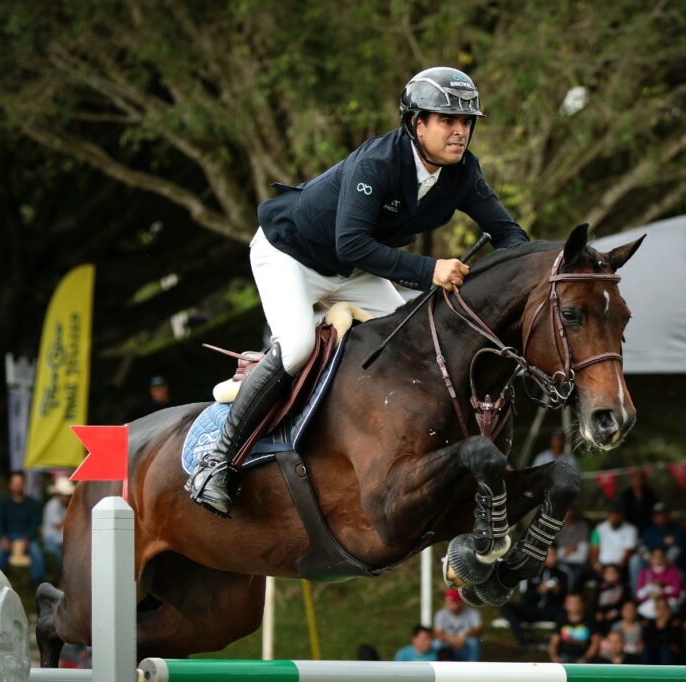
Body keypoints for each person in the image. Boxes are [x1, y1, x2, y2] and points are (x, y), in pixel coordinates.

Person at [184, 66, 529, 517]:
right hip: (290, 254)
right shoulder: (378, 164)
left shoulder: (462, 173)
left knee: (415, 341)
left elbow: (509, 235)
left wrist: (527, 275)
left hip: (350, 269)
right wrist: (431, 270)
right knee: (297, 348)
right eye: (447, 120)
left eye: (466, 123)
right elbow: (353, 242)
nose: (460, 132)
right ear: (416, 123)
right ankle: (217, 461)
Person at [500, 546, 570, 650]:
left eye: (554, 555)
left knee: (565, 611)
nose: (552, 558)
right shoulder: (531, 572)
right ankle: (524, 638)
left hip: (551, 610)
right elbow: (525, 597)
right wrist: (539, 591)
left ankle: (551, 640)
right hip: (533, 609)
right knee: (506, 607)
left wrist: (558, 592)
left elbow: (569, 598)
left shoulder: (563, 573)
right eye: (549, 555)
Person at [0, 471, 46, 583]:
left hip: (27, 538)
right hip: (8, 536)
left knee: (37, 554)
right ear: (10, 485)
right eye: (15, 483)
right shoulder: (3, 503)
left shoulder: (33, 504)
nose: (17, 485)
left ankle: (38, 584)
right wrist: (3, 538)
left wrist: (28, 539)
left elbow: (35, 524)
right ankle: (0, 583)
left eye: (20, 483)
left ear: (24, 485)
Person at [630, 502, 685, 589]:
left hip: (669, 563)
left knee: (679, 571)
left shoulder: (676, 530)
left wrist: (662, 561)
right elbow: (642, 548)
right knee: (635, 560)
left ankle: (674, 598)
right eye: (656, 515)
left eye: (662, 514)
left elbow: (676, 550)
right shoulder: (649, 531)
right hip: (651, 562)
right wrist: (652, 560)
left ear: (667, 515)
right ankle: (637, 597)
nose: (659, 517)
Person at [589, 503, 638, 579]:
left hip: (620, 567)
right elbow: (594, 551)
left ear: (623, 515)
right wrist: (599, 568)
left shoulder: (631, 529)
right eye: (612, 514)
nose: (615, 517)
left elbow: (628, 553)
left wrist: (614, 571)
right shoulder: (599, 529)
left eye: (618, 514)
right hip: (602, 566)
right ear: (608, 514)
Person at [433, 588, 483, 662]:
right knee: (436, 644)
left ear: (461, 602)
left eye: (453, 603)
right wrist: (452, 639)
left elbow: (479, 630)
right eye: (448, 603)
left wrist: (464, 636)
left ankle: (473, 667)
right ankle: (438, 666)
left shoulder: (473, 613)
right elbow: (437, 633)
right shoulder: (441, 614)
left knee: (474, 642)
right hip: (448, 642)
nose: (450, 606)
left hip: (465, 641)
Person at [549, 593, 599, 664]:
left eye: (576, 603)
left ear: (582, 604)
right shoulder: (561, 620)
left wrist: (586, 658)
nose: (573, 606)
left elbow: (595, 642)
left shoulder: (589, 620)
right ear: (565, 605)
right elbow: (554, 641)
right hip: (564, 657)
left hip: (585, 658)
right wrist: (554, 657)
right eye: (570, 603)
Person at [635, 548, 683, 619]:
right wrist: (650, 594)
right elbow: (639, 595)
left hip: (668, 601)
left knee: (663, 607)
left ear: (664, 558)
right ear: (651, 559)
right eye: (655, 556)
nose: (657, 558)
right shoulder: (645, 572)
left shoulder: (673, 571)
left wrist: (661, 593)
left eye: (660, 556)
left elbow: (677, 591)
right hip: (651, 601)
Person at [42, 475, 75, 569]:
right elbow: (57, 526)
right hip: (52, 540)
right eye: (66, 495)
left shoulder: (65, 505)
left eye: (69, 495)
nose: (68, 498)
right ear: (59, 495)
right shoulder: (52, 506)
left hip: (62, 540)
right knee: (62, 557)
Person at [555, 507, 591, 589]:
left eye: (572, 510)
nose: (569, 512)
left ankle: (571, 599)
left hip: (577, 565)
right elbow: (553, 553)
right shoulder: (557, 526)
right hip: (558, 563)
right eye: (568, 510)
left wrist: (562, 553)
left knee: (575, 575)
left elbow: (582, 557)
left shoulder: (583, 527)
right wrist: (569, 550)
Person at [642, 596, 683, 664]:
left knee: (665, 651)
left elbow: (673, 640)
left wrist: (666, 621)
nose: (661, 610)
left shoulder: (674, 623)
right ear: (655, 609)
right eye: (659, 607)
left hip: (668, 654)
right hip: (652, 652)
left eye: (663, 607)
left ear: (668, 609)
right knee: (646, 651)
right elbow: (647, 640)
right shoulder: (650, 623)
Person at [620, 467, 657, 532]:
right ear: (631, 481)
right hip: (629, 526)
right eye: (636, 479)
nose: (638, 481)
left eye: (640, 479)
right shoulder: (626, 495)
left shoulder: (650, 494)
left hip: (648, 526)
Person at [594, 564, 628, 631]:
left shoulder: (622, 588)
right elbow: (595, 601)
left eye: (613, 573)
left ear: (619, 575)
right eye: (607, 572)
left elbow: (624, 602)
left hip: (616, 613)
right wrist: (597, 612)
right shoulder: (600, 587)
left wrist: (616, 612)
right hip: (601, 612)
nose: (610, 575)